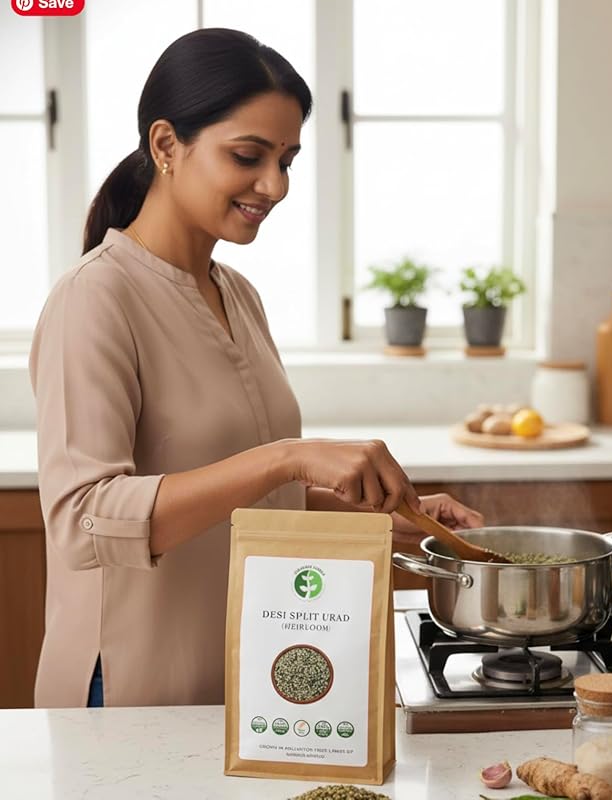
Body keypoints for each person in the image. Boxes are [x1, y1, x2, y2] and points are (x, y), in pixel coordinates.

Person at [29, 28, 483, 709]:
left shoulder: (236, 294)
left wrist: (393, 519)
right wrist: (289, 458)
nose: (275, 185)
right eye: (248, 156)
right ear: (165, 145)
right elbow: (84, 519)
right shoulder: (93, 297)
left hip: (241, 681)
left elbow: (250, 499)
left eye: (287, 160)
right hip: (130, 688)